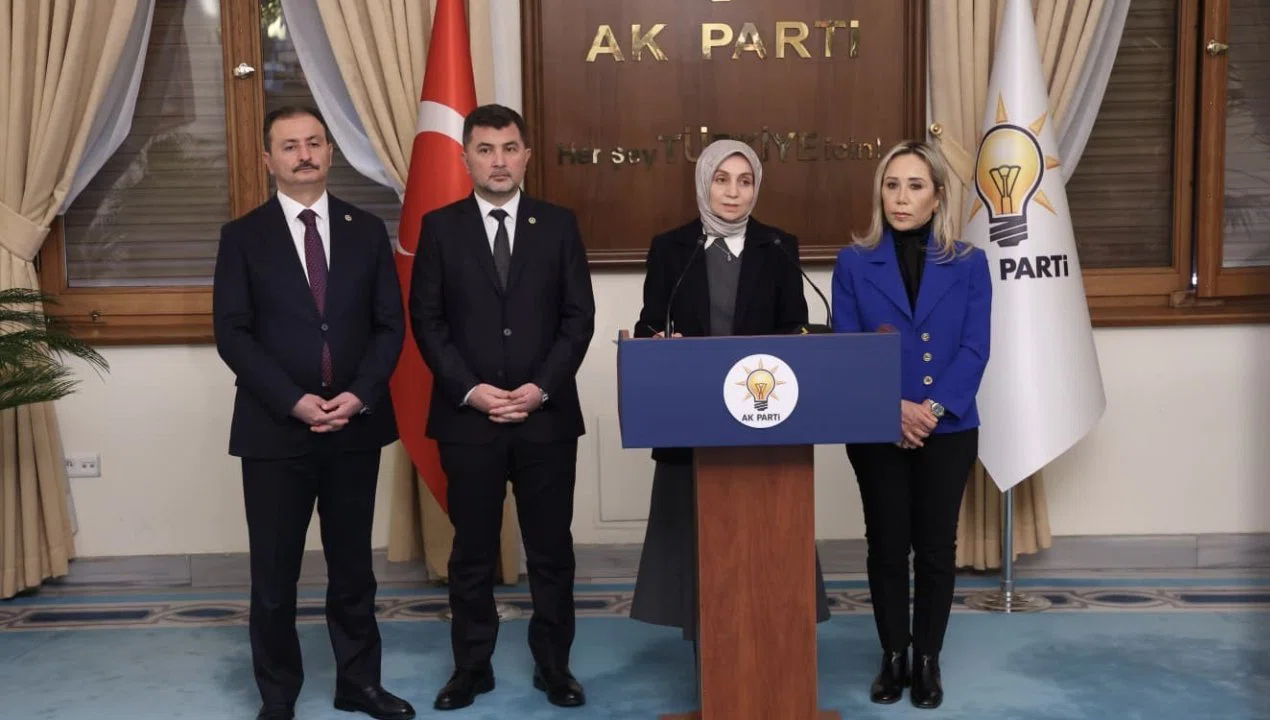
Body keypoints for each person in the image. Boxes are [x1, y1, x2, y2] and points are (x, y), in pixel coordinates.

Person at [212, 106, 415, 720]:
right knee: (274, 577)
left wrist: (361, 394)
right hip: (275, 430)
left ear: (330, 152)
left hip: (355, 426)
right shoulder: (242, 237)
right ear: (267, 160)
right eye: (289, 145)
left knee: (354, 570)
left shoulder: (366, 230)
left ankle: (359, 684)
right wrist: (293, 401)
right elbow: (233, 333)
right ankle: (278, 696)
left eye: (313, 143)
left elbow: (390, 325)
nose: (303, 154)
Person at [409, 104, 596, 711]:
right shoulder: (440, 228)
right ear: (465, 157)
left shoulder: (559, 225)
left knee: (551, 552)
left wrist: (541, 388)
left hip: (546, 418)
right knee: (472, 554)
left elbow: (578, 318)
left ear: (526, 156)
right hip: (469, 419)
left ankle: (555, 668)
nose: (498, 161)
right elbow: (427, 322)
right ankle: (471, 669)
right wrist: (471, 389)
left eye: (509, 148)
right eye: (485, 149)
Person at [629, 139, 831, 650]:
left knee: (767, 534)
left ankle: (773, 634)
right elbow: (650, 322)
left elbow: (795, 328)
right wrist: (661, 340)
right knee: (699, 542)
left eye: (745, 181)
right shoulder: (671, 248)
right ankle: (711, 642)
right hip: (692, 420)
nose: (733, 192)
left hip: (764, 420)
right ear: (704, 183)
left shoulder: (779, 246)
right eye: (722, 180)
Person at [831, 140, 992, 710]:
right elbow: (848, 347)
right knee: (886, 545)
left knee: (935, 549)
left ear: (938, 196)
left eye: (915, 186)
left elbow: (974, 349)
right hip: (877, 429)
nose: (901, 197)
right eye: (892, 185)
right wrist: (892, 408)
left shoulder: (969, 263)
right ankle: (892, 655)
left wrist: (930, 410)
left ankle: (927, 660)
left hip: (948, 430)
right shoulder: (853, 262)